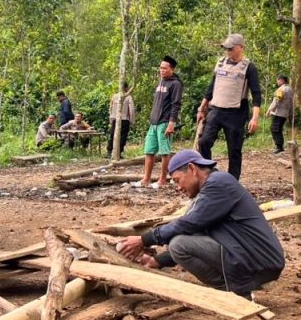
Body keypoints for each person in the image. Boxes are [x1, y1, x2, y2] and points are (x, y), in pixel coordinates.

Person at [117, 150, 285, 298]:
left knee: (178, 245)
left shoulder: (218, 183)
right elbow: (196, 231)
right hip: (255, 258)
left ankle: (236, 293)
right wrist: (158, 261)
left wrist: (144, 240)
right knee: (183, 242)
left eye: (177, 180)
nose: (178, 187)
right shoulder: (212, 188)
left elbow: (188, 224)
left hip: (260, 259)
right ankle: (235, 291)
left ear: (191, 169)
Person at [196, 33, 263, 179]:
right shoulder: (221, 63)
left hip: (236, 113)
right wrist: (202, 109)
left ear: (240, 48)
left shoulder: (249, 67)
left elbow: (257, 95)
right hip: (216, 109)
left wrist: (255, 118)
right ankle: (209, 174)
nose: (227, 51)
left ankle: (233, 181)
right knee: (204, 141)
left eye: (230, 49)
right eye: (226, 49)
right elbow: (211, 87)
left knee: (234, 149)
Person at [134, 57, 183, 188]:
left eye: (165, 68)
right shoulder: (162, 81)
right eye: (160, 68)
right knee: (149, 151)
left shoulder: (176, 84)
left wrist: (171, 123)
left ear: (172, 69)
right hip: (154, 123)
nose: (161, 70)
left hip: (165, 122)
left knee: (164, 152)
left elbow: (176, 105)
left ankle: (162, 180)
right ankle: (146, 179)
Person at [267, 74, 294, 154]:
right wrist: (290, 114)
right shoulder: (290, 89)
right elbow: (291, 103)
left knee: (274, 129)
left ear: (281, 80)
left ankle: (279, 147)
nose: (277, 82)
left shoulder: (281, 90)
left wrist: (269, 110)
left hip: (278, 113)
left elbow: (276, 101)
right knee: (278, 129)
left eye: (278, 80)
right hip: (285, 113)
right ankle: (279, 146)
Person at [107, 82, 135, 157]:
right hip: (124, 119)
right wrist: (132, 120)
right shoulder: (128, 97)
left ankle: (110, 152)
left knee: (113, 135)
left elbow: (110, 108)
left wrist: (111, 119)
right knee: (122, 136)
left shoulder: (114, 96)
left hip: (115, 119)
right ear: (126, 88)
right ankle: (118, 152)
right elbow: (131, 109)